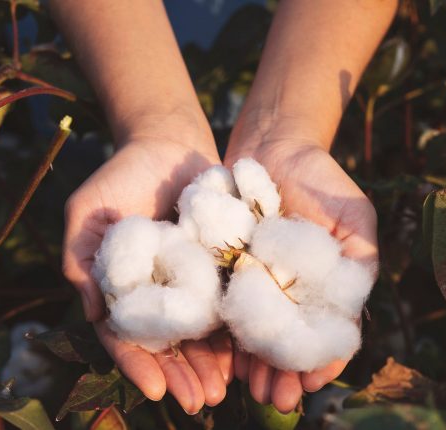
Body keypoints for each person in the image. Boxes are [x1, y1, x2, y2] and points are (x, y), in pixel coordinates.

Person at [51, 0, 395, 416]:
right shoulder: (225, 238)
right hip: (98, 66)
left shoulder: (228, 237)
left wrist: (287, 129)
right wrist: (153, 124)